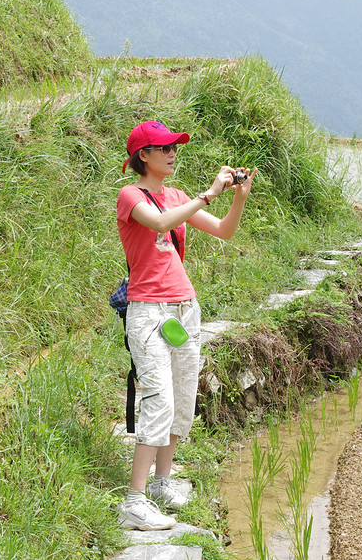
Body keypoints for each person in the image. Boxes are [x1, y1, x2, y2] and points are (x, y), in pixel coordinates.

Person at [115, 120, 256, 531]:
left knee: (181, 398)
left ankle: (162, 484)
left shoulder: (175, 196)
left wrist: (237, 200)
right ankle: (134, 502)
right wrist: (209, 193)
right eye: (164, 147)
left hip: (184, 309)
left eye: (175, 146)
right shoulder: (130, 196)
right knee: (158, 399)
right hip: (149, 311)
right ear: (144, 155)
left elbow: (224, 231)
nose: (173, 153)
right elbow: (159, 224)